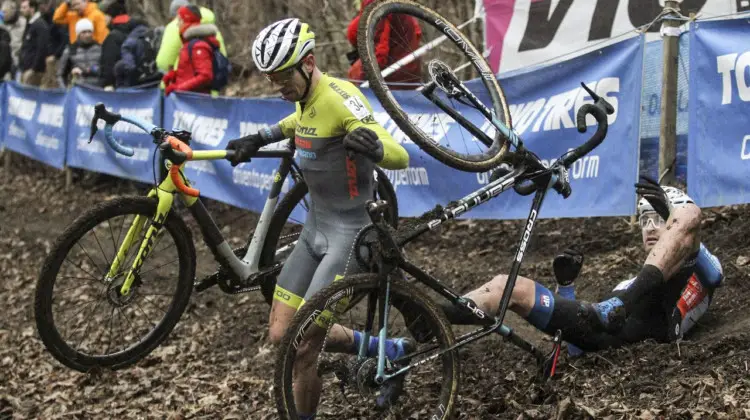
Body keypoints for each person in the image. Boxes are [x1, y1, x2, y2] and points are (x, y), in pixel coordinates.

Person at [226, 18, 411, 418]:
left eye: (281, 75)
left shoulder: (341, 96)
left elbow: (401, 154)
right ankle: (390, 350)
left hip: (351, 236)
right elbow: (300, 122)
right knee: (281, 334)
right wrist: (259, 138)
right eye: (270, 77)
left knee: (304, 346)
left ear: (308, 62)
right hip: (315, 231)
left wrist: (375, 147)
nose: (277, 85)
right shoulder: (304, 98)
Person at [406, 178, 723, 355]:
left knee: (690, 216)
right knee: (507, 285)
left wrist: (676, 213)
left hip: (645, 328)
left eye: (660, 220)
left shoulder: (697, 266)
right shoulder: (628, 282)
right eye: (644, 221)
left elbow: (695, 234)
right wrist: (567, 287)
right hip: (602, 330)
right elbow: (575, 346)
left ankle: (619, 306)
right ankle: (429, 315)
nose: (651, 228)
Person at [345, 0, 422, 89]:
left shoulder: (373, 2)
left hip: (391, 79)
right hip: (412, 72)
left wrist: (362, 77)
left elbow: (380, 51)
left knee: (354, 76)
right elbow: (417, 32)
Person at [155, 0, 226, 74]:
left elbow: (164, 62)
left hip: (188, 77)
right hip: (220, 73)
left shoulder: (175, 27)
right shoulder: (210, 23)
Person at [161, 5, 217, 95]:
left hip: (195, 102)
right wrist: (175, 75)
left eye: (180, 20)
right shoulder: (189, 43)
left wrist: (178, 88)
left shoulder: (198, 46)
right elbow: (190, 71)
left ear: (187, 20)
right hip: (188, 100)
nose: (177, 24)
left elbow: (205, 76)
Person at [56, 17, 101, 87]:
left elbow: (105, 69)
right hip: (78, 91)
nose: (87, 35)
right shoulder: (70, 50)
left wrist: (92, 70)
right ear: (78, 34)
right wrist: (65, 91)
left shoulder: (100, 48)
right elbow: (60, 74)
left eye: (89, 31)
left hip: (97, 89)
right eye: (84, 32)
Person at [18, 0, 48, 86]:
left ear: (32, 9)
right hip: (25, 68)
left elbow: (42, 49)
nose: (21, 10)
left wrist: (33, 69)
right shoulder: (30, 23)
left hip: (33, 72)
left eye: (24, 7)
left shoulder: (40, 24)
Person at [1, 0, 27, 79]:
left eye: (5, 12)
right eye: (2, 12)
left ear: (13, 11)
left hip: (18, 61)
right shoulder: (1, 24)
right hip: (3, 61)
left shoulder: (24, 23)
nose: (3, 14)